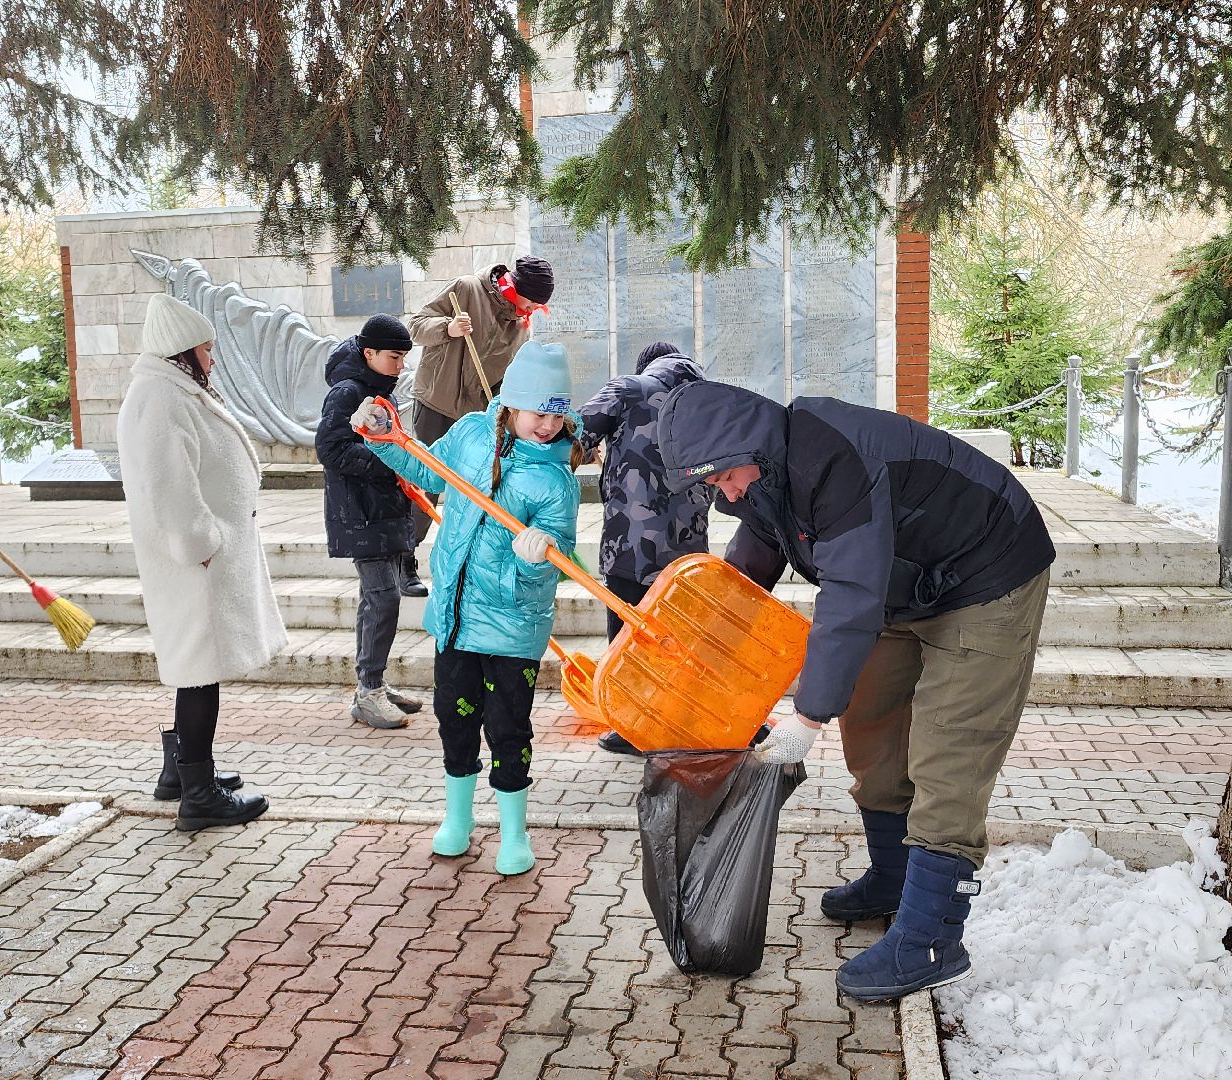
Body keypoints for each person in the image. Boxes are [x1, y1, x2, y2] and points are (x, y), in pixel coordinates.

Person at [656, 380, 1056, 1002]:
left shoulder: (831, 459)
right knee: (870, 725)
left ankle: (930, 940)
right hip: (904, 583)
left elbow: (848, 598)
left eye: (724, 477)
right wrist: (695, 654)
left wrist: (806, 717)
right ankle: (894, 879)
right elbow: (749, 571)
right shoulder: (762, 476)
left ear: (750, 446)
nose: (724, 493)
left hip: (987, 572)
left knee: (949, 750)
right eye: (711, 485)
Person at [356, 341, 581, 876]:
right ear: (511, 404)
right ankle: (458, 820)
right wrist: (384, 439)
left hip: (512, 628)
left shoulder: (556, 480)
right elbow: (430, 472)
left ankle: (514, 832)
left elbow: (561, 556)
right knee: (454, 721)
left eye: (557, 414)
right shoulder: (473, 434)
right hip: (454, 618)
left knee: (508, 728)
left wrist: (538, 555)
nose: (548, 426)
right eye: (538, 413)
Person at [117, 292, 285, 831]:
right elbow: (170, 488)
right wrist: (203, 542)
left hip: (201, 565)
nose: (213, 358)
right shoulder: (160, 399)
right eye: (206, 348)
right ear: (181, 351)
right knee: (199, 675)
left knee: (198, 670)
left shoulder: (174, 390)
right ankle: (199, 792)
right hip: (194, 565)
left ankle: (180, 771)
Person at [574, 341, 714, 757]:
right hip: (689, 546)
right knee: (679, 634)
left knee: (629, 637)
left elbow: (567, 433)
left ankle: (634, 727)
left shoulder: (629, 389)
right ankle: (684, 721)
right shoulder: (705, 400)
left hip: (632, 543)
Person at [401, 255, 555, 594]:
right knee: (427, 482)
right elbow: (416, 325)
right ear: (516, 288)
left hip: (475, 414)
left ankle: (467, 566)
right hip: (438, 403)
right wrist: (449, 328)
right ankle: (402, 560)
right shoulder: (468, 289)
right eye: (531, 302)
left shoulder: (520, 324)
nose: (531, 311)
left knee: (475, 489)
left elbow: (509, 376)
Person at [316, 314, 426, 730]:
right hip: (360, 512)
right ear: (369, 353)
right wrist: (390, 466)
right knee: (384, 598)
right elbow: (330, 449)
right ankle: (370, 691)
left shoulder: (381, 392)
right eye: (394, 357)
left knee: (374, 597)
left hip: (384, 509)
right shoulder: (348, 393)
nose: (400, 366)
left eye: (403, 358)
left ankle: (371, 683)